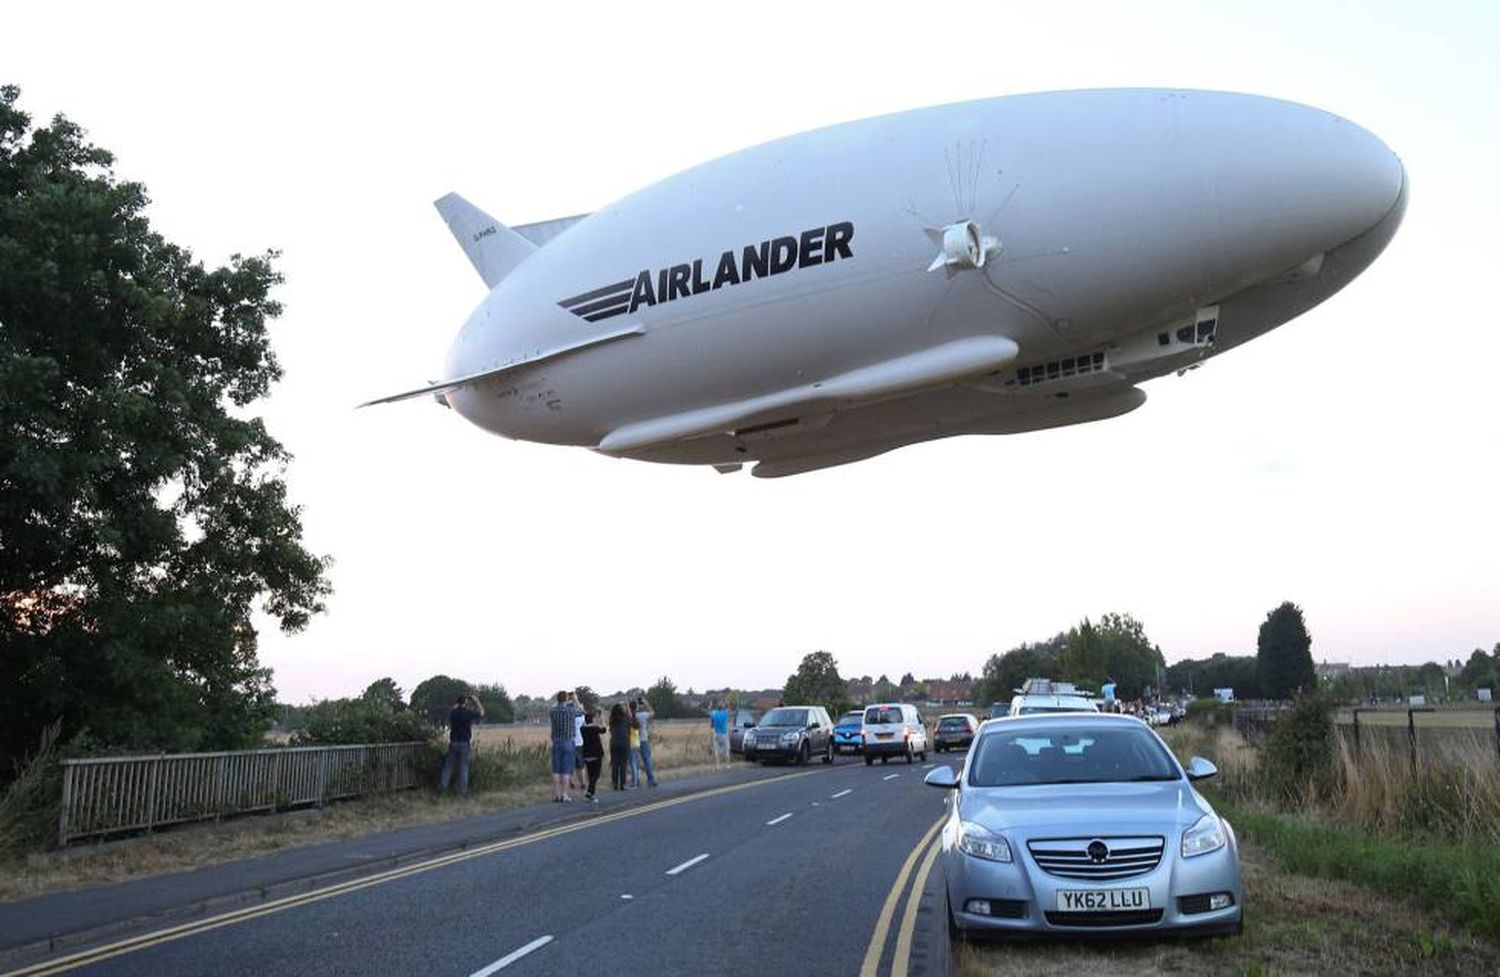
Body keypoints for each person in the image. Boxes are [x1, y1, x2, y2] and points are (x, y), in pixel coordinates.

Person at [440, 694, 484, 795]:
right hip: (464, 743)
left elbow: (454, 708)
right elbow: (481, 713)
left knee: (448, 767)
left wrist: (461, 702)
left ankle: (443, 789)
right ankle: (462, 791)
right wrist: (476, 701)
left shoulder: (453, 713)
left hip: (453, 742)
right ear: (465, 703)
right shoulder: (468, 713)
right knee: (463, 768)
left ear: (457, 703)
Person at [548, 690, 581, 802]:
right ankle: (564, 794)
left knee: (556, 770)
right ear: (566, 699)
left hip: (556, 741)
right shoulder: (571, 711)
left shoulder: (553, 711)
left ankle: (556, 794)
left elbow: (554, 706)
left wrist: (562, 700)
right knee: (566, 770)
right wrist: (575, 700)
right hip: (568, 741)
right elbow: (582, 712)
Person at [580, 708, 605, 801]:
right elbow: (604, 730)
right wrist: (602, 720)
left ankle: (591, 793)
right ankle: (590, 792)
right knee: (596, 775)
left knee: (590, 775)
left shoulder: (582, 729)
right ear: (593, 719)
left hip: (586, 755)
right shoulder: (595, 728)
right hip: (596, 754)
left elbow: (584, 725)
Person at [635, 696, 658, 787]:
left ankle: (636, 781)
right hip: (643, 739)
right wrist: (647, 703)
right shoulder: (644, 715)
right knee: (647, 760)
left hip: (634, 740)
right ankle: (650, 780)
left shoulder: (634, 715)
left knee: (635, 761)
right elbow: (653, 713)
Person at [608, 702, 632, 790]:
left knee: (615, 764)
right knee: (623, 764)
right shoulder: (625, 718)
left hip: (614, 742)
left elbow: (610, 730)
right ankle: (622, 784)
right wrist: (628, 711)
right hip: (624, 742)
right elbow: (630, 725)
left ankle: (615, 784)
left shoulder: (612, 719)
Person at [569, 691, 586, 791]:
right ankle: (583, 783)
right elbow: (583, 713)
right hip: (579, 742)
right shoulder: (580, 718)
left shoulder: (568, 718)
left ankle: (571, 782)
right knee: (581, 765)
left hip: (570, 742)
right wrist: (577, 701)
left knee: (571, 764)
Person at [709, 700, 730, 769]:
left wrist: (711, 705)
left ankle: (718, 765)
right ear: (722, 707)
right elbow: (729, 709)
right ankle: (727, 765)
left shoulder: (714, 713)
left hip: (716, 733)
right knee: (726, 750)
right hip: (724, 733)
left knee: (717, 750)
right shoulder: (725, 713)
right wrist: (727, 703)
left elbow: (711, 724)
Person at [627, 703, 642, 788]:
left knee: (632, 764)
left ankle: (634, 783)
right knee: (636, 764)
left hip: (631, 744)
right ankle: (638, 781)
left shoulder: (630, 721)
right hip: (637, 743)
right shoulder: (636, 721)